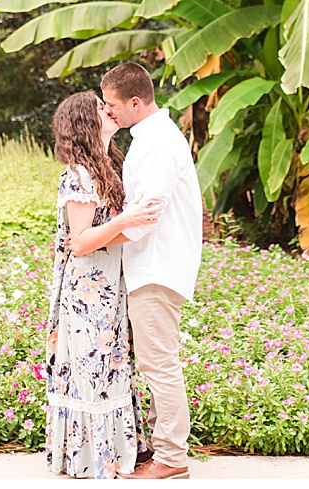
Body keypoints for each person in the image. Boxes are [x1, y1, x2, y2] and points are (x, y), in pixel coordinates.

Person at [46, 91, 162, 479]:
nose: (108, 109)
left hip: (113, 284)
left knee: (114, 367)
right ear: (85, 122)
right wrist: (127, 220)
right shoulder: (79, 174)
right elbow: (80, 242)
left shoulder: (112, 165)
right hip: (88, 290)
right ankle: (91, 457)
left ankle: (119, 451)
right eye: (99, 106)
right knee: (94, 370)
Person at [100, 62, 202, 481]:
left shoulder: (158, 143)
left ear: (135, 102)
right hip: (151, 266)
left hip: (156, 268)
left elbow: (145, 217)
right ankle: (163, 451)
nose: (108, 112)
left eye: (111, 105)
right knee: (155, 363)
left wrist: (95, 242)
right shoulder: (151, 137)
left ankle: (172, 457)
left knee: (159, 365)